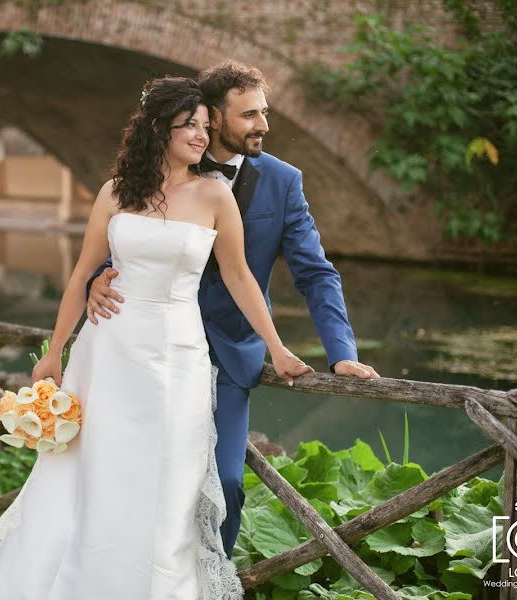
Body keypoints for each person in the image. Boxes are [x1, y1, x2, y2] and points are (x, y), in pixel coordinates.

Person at [0, 76, 310, 600]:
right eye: (190, 126)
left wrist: (277, 347)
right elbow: (83, 272)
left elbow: (241, 277)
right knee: (96, 474)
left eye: (205, 126)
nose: (202, 136)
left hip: (178, 357)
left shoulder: (215, 195)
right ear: (159, 129)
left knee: (170, 479)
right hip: (108, 350)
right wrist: (55, 351)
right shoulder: (115, 193)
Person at [86, 60, 380, 561]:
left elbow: (315, 273)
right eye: (250, 115)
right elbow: (123, 241)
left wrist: (341, 352)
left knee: (224, 481)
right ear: (213, 117)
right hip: (141, 349)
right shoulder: (158, 168)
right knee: (129, 473)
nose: (263, 125)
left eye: (263, 113)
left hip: (227, 355)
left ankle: (207, 583)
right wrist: (99, 279)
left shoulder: (282, 183)